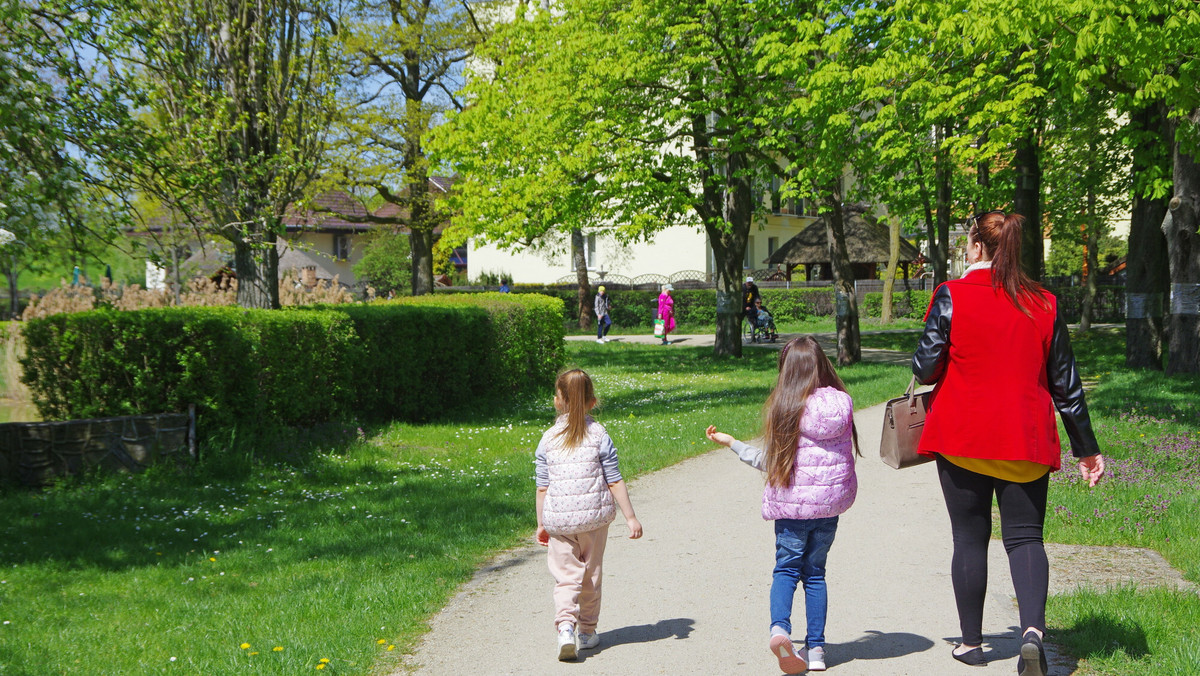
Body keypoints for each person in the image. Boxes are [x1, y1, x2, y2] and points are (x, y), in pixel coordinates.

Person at [912, 211, 1105, 676]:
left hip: (962, 439)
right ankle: (1032, 634)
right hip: (1025, 441)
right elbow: (1067, 386)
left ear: (977, 247)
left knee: (969, 538)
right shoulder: (1045, 303)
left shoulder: (951, 296)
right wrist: (1087, 449)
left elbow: (924, 367)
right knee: (1025, 539)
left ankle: (972, 645)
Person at [705, 335, 859, 674]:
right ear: (822, 365)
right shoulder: (842, 405)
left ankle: (780, 630)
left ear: (787, 370)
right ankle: (816, 650)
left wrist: (733, 444)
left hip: (791, 511)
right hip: (827, 510)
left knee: (787, 569)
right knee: (816, 574)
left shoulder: (786, 406)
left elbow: (770, 463)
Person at [535, 369, 643, 661]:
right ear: (593, 402)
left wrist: (541, 523)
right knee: (590, 576)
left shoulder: (547, 439)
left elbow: (543, 487)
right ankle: (587, 632)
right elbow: (614, 479)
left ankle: (566, 628)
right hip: (594, 520)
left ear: (558, 401)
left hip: (559, 522)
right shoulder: (599, 434)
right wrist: (630, 517)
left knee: (565, 578)